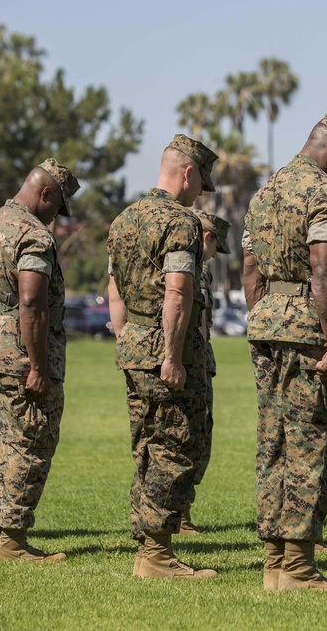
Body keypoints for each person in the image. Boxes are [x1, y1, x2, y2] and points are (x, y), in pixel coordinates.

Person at [242, 111, 327, 591]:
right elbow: (325, 273)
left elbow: (251, 267)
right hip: (308, 330)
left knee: (272, 440)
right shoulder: (326, 195)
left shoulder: (266, 191)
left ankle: (276, 561)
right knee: (311, 442)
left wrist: (266, 316)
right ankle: (297, 567)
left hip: (268, 325)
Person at [0, 158, 79, 562]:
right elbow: (31, 302)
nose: (55, 218)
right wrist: (38, 367)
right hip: (23, 358)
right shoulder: (32, 235)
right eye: (56, 206)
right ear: (45, 194)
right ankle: (10, 540)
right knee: (28, 441)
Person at [106, 134, 218, 579]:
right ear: (187, 173)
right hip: (166, 348)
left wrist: (126, 338)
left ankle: (148, 545)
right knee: (174, 445)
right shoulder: (182, 223)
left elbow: (114, 290)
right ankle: (156, 555)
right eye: (200, 183)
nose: (199, 193)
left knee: (147, 444)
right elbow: (177, 292)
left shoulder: (123, 220)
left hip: (134, 344)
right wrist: (171, 355)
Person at [180, 209, 232, 535]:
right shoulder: (194, 269)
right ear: (207, 238)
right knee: (191, 434)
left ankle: (181, 511)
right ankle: (180, 514)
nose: (214, 256)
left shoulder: (201, 271)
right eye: (216, 248)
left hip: (200, 358)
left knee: (198, 431)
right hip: (192, 359)